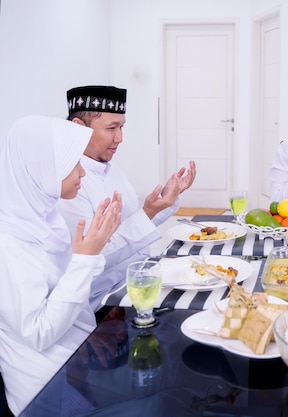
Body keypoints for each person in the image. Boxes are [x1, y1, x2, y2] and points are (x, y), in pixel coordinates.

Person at [0, 115, 121, 414]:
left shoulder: (44, 217)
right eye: (71, 164)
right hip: (48, 392)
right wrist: (86, 258)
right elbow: (38, 332)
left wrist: (95, 246)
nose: (82, 172)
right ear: (39, 169)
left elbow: (68, 288)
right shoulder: (8, 241)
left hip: (79, 365)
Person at [57, 85, 196, 313]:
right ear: (78, 128)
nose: (120, 138)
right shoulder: (68, 184)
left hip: (137, 280)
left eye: (121, 127)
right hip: (105, 301)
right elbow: (92, 258)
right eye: (112, 128)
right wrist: (149, 212)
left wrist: (166, 200)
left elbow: (133, 223)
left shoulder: (106, 167)